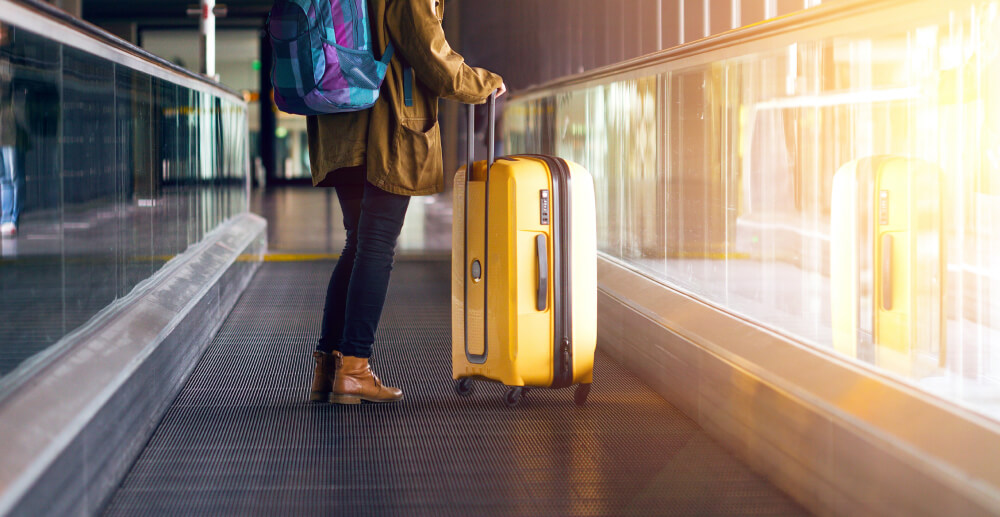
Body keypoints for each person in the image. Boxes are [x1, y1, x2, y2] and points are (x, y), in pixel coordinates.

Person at [306, 0, 505, 404]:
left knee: (358, 243)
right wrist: (485, 83)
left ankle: (328, 368)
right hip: (384, 128)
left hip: (339, 119)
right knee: (376, 245)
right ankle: (355, 369)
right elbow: (433, 56)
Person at [0, 23, 22, 239]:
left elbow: (7, 86)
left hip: (9, 124)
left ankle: (11, 217)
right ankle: (5, 216)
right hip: (3, 125)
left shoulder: (12, 56)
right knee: (3, 174)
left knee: (12, 172)